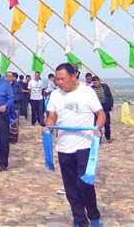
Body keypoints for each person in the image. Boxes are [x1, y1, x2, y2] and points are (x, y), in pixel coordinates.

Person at [45, 62, 106, 227]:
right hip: (64, 147)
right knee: (70, 187)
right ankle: (79, 220)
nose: (59, 82)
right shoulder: (55, 95)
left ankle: (94, 216)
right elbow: (52, 116)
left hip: (84, 146)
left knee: (84, 184)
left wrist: (97, 127)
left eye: (62, 79)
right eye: (57, 79)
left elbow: (101, 114)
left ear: (73, 76)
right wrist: (48, 128)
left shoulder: (87, 92)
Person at [91, 76, 114, 143]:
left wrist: (111, 105)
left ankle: (108, 137)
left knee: (107, 123)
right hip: (96, 107)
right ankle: (99, 138)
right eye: (94, 83)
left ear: (99, 81)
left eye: (96, 82)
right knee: (97, 123)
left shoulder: (105, 87)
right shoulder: (91, 89)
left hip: (105, 106)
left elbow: (109, 96)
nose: (95, 84)